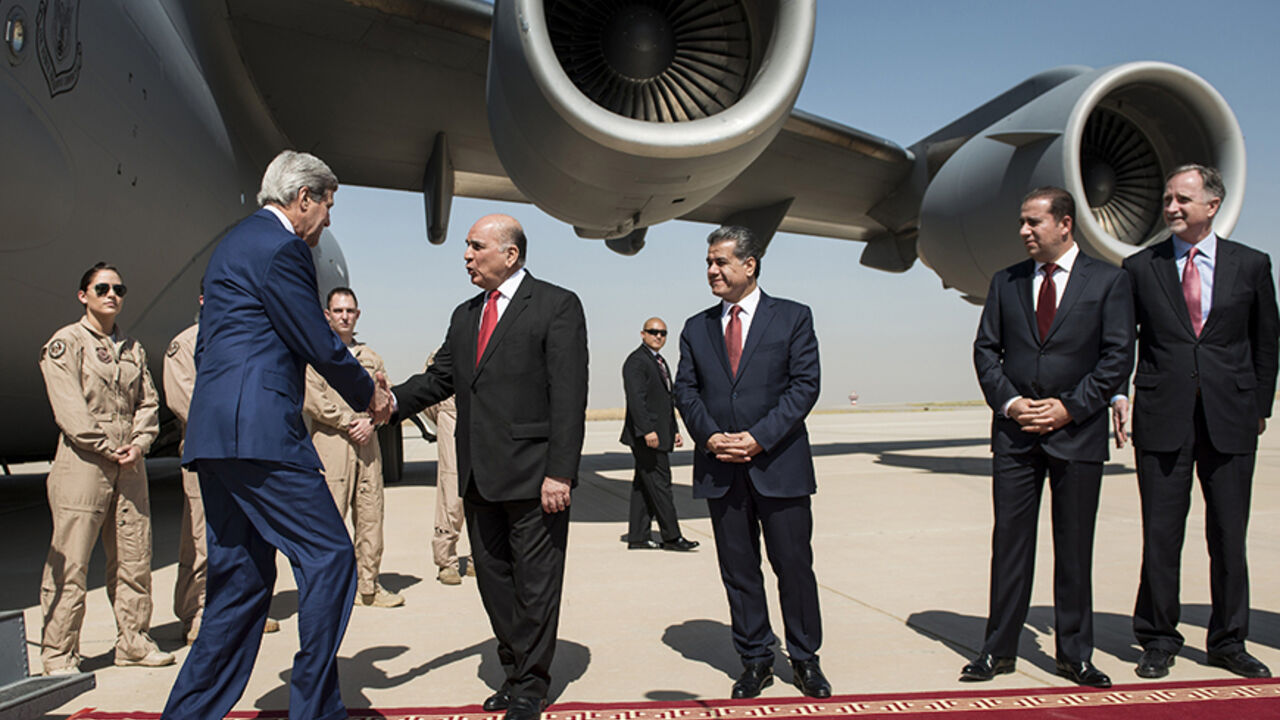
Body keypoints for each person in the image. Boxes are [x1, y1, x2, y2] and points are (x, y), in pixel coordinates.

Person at [161, 150, 392, 720]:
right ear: (304, 197)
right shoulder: (282, 247)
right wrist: (372, 395)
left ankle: (189, 713)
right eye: (328, 205)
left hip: (217, 439)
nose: (329, 221)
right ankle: (316, 708)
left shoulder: (234, 243)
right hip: (259, 435)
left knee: (240, 583)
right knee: (332, 556)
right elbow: (316, 338)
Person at [392, 214, 588, 720]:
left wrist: (560, 473)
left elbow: (568, 399)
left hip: (534, 476)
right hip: (479, 477)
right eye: (466, 246)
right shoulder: (465, 316)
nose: (466, 255)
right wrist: (387, 404)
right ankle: (516, 667)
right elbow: (438, 380)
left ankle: (530, 685)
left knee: (536, 587)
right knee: (495, 583)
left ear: (511, 254)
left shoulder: (556, 306)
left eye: (476, 246)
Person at [965, 187, 1134, 689]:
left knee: (1074, 548)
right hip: (1015, 436)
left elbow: (1116, 357)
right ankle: (998, 651)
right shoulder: (1005, 282)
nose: (1024, 231)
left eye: (1033, 222)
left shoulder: (1108, 282)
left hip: (1077, 434)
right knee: (1010, 546)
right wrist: (1013, 404)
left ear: (1065, 224)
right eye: (1022, 221)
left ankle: (1074, 654)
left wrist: (1070, 407)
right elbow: (985, 352)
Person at [1118, 164, 1279, 680]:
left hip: (1231, 418)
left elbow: (1266, 343)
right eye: (1167, 198)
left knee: (1229, 536)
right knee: (1161, 535)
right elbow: (1123, 341)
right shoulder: (1140, 267)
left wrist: (1259, 406)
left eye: (1182, 199)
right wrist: (1120, 395)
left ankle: (1229, 640)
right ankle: (1158, 639)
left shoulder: (1252, 265)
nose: (1171, 207)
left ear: (1212, 205)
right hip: (1163, 417)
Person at [673, 226, 828, 699]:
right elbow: (686, 390)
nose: (712, 271)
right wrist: (713, 437)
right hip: (721, 468)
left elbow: (805, 385)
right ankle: (755, 657)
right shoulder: (696, 327)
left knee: (794, 566)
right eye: (708, 262)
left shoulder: (793, 318)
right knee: (739, 570)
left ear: (749, 264)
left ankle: (804, 659)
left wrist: (758, 438)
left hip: (779, 466)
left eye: (720, 262)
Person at [37, 262, 174, 674]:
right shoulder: (66, 343)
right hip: (84, 463)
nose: (111, 294)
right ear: (84, 295)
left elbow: (149, 403)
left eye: (118, 288)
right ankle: (59, 653)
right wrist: (105, 446)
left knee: (134, 557)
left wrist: (139, 443)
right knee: (72, 561)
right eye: (102, 288)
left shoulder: (132, 349)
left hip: (129, 463)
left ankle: (133, 641)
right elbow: (69, 407)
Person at [163, 295, 282, 642]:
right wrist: (232, 424)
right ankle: (197, 612)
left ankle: (243, 609)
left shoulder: (247, 338)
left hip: (247, 454)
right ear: (203, 298)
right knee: (203, 536)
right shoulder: (185, 343)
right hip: (207, 452)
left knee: (247, 536)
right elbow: (182, 397)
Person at [303, 287, 403, 608]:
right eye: (339, 311)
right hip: (332, 444)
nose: (345, 316)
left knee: (371, 513)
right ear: (327, 316)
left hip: (367, 444)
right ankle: (328, 591)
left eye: (350, 311)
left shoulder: (371, 358)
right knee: (330, 517)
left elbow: (385, 400)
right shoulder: (317, 357)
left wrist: (370, 423)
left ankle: (368, 586)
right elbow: (315, 401)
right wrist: (351, 421)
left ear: (357, 315)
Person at [620, 317, 697, 551]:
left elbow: (665, 401)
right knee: (661, 484)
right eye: (653, 332)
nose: (658, 336)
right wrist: (647, 431)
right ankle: (672, 537)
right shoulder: (636, 362)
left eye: (663, 333)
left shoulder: (659, 361)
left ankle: (638, 536)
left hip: (659, 433)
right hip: (647, 437)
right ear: (642, 334)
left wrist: (673, 430)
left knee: (644, 486)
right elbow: (637, 400)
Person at [420, 351, 472, 586]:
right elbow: (429, 393)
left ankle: (478, 558)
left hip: (486, 419)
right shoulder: (443, 354)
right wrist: (445, 415)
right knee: (451, 493)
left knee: (484, 491)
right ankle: (446, 561)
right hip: (452, 415)